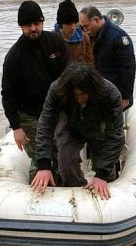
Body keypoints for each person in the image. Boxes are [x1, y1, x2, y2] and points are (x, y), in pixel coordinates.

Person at [31, 62, 124, 200]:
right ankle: (75, 190)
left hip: (100, 128)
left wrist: (102, 175)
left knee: (106, 170)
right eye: (75, 95)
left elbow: (116, 135)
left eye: (83, 94)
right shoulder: (57, 90)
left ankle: (105, 190)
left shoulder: (110, 94)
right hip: (71, 126)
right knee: (65, 161)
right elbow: (45, 124)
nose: (79, 98)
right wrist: (43, 164)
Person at [1, 0, 70, 178]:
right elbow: (7, 94)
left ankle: (64, 181)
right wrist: (16, 127)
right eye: (27, 25)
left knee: (62, 152)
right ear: (21, 26)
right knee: (41, 157)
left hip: (58, 109)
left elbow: (69, 76)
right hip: (30, 115)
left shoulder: (57, 42)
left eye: (36, 23)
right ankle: (38, 185)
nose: (33, 28)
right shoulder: (14, 57)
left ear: (42, 23)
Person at [79, 6, 136, 110]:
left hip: (115, 92)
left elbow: (128, 69)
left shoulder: (118, 37)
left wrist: (125, 97)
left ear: (96, 20)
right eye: (82, 27)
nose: (85, 30)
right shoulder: (90, 36)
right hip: (97, 93)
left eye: (86, 26)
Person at [54, 0, 94, 64]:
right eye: (68, 24)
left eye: (75, 23)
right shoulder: (51, 40)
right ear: (61, 24)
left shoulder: (84, 38)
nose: (73, 27)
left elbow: (90, 62)